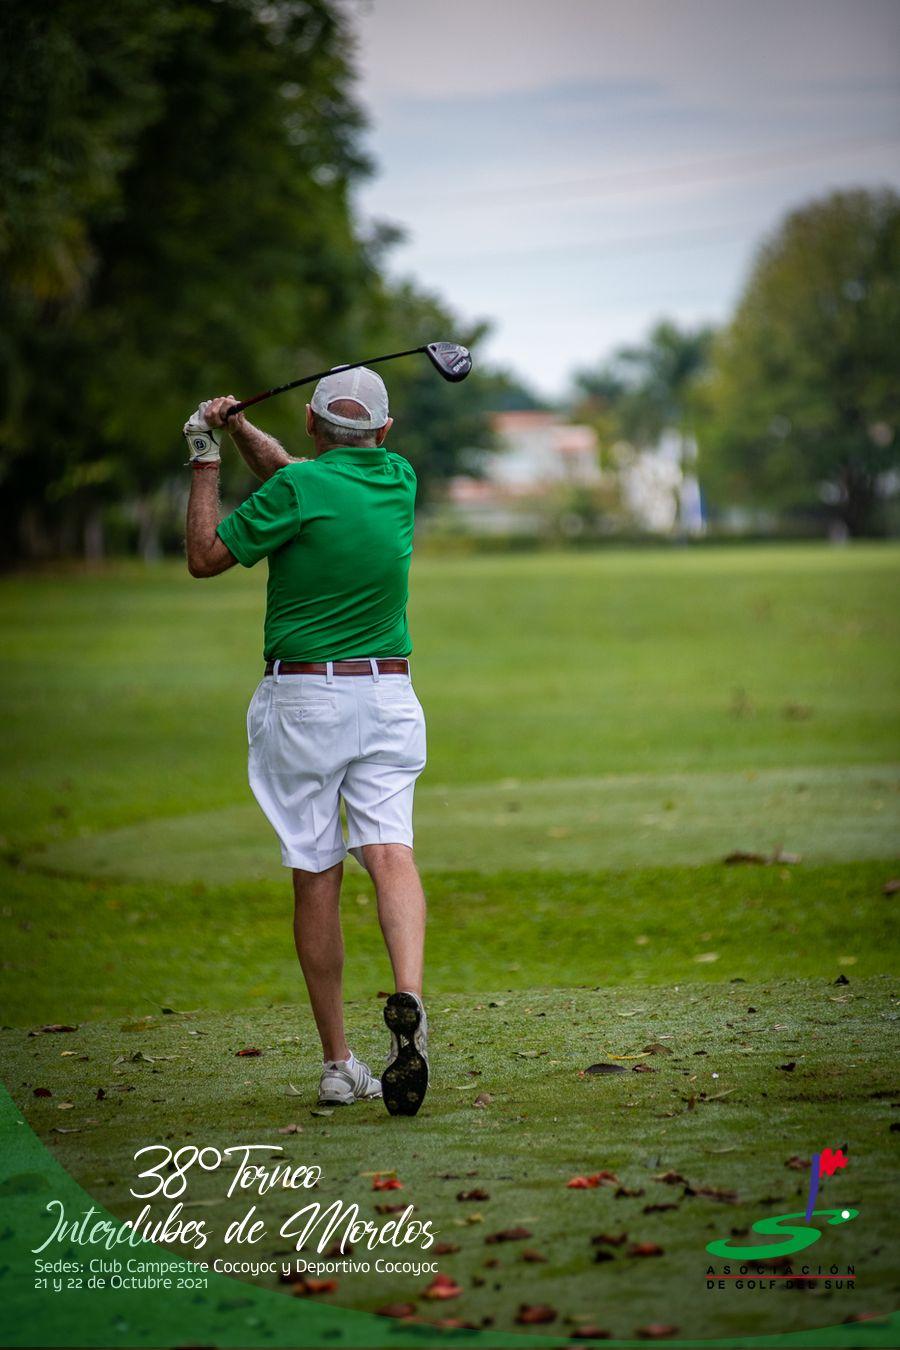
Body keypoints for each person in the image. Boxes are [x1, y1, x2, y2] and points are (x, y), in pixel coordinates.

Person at [181, 367, 429, 1116]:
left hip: (303, 702)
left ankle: (338, 1064)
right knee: (391, 851)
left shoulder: (297, 489)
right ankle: (410, 999)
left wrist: (206, 454)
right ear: (383, 432)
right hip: (387, 695)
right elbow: (304, 477)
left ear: (314, 426)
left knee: (316, 870)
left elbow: (204, 555)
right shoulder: (398, 479)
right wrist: (242, 429)